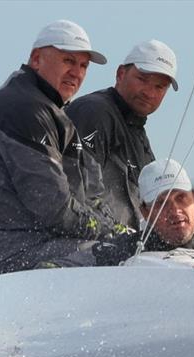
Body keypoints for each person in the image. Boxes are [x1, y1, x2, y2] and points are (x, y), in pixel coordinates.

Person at [0, 20, 131, 284]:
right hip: (4, 258)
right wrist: (111, 234)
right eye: (67, 61)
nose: (77, 73)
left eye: (83, 65)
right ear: (36, 59)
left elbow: (88, 193)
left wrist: (122, 228)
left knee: (129, 246)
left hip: (24, 248)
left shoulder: (48, 110)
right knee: (123, 255)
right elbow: (53, 208)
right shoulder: (22, 110)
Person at [67, 39, 178, 230]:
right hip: (91, 249)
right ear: (120, 74)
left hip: (125, 249)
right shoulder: (94, 112)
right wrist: (119, 236)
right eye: (142, 80)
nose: (149, 93)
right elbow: (78, 192)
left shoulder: (136, 130)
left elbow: (159, 207)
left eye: (159, 87)